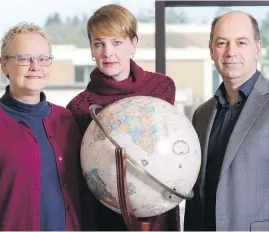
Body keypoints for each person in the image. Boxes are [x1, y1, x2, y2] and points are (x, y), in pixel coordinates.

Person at [184, 11, 269, 231]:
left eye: (241, 42)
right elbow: (196, 197)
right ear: (211, 50)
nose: (231, 52)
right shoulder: (202, 114)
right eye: (222, 43)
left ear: (257, 49)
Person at [67, 4, 180, 231]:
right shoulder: (79, 107)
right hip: (104, 217)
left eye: (116, 42)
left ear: (133, 44)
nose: (108, 53)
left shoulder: (162, 88)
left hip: (157, 210)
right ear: (91, 48)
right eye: (99, 43)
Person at [0, 22, 83, 231]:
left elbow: (82, 195)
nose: (35, 66)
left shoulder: (66, 120)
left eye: (42, 59)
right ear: (4, 65)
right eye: (24, 59)